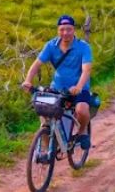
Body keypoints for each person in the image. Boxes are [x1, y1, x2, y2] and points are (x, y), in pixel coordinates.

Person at [22, 14, 96, 149]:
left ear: (74, 30)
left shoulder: (83, 47)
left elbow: (86, 70)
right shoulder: (51, 46)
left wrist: (79, 86)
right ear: (58, 30)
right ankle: (46, 151)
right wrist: (28, 81)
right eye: (62, 29)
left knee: (81, 110)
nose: (65, 33)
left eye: (69, 29)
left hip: (78, 88)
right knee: (45, 117)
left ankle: (82, 132)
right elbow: (37, 64)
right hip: (57, 88)